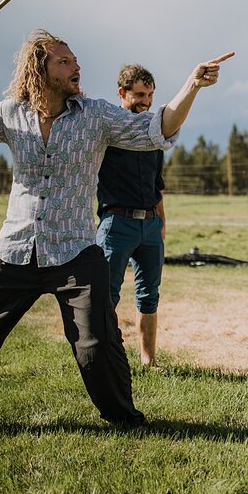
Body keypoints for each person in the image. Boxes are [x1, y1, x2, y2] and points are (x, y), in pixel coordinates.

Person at [0, 29, 233, 445]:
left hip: (77, 251)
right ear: (38, 70)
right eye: (65, 61)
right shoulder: (11, 113)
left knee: (97, 343)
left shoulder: (96, 116)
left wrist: (192, 85)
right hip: (15, 250)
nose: (76, 67)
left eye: (75, 60)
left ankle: (125, 419)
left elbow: (158, 128)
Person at [96, 64, 166, 367]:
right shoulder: (107, 131)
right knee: (106, 296)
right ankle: (106, 359)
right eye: (139, 94)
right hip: (117, 225)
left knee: (150, 294)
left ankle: (148, 359)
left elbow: (157, 184)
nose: (146, 101)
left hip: (150, 225)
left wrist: (162, 223)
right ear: (122, 93)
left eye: (150, 95)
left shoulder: (154, 134)